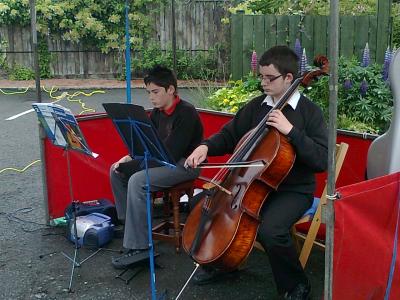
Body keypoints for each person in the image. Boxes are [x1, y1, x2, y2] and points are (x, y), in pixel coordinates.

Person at [184, 45, 328, 299]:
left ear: (288, 78)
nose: (262, 82)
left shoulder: (309, 113)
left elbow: (321, 160)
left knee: (271, 229)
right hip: (251, 185)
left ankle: (296, 285)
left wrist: (291, 132)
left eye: (268, 78)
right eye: (260, 76)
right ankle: (220, 263)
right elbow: (230, 135)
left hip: (293, 190)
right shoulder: (257, 107)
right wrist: (205, 146)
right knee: (202, 203)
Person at [110, 65, 203, 269]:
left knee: (137, 179)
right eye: (148, 93)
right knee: (115, 169)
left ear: (170, 90)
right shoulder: (158, 113)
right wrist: (128, 158)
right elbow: (148, 144)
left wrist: (135, 166)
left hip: (184, 164)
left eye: (155, 92)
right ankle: (130, 227)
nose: (151, 97)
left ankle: (142, 248)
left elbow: (171, 153)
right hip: (164, 160)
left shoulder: (186, 113)